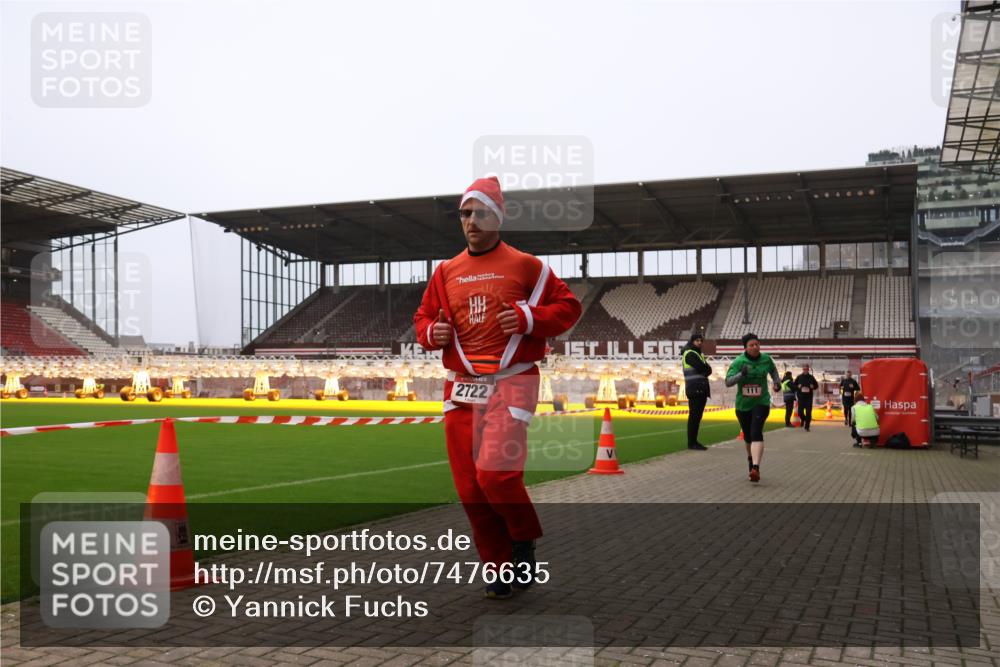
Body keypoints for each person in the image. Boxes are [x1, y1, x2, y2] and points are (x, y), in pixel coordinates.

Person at [413, 176, 582, 599]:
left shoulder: (527, 266)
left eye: (480, 212)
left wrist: (528, 318)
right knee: (470, 490)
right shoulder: (446, 271)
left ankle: (522, 539)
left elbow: (568, 307)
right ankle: (499, 567)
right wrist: (431, 332)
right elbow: (422, 320)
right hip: (460, 390)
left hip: (512, 382)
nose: (471, 221)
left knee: (497, 476)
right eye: (465, 214)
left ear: (498, 216)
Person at [725, 333, 781, 483]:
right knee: (748, 437)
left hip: (761, 402)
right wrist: (740, 375)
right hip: (743, 405)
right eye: (751, 345)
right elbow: (728, 382)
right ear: (745, 347)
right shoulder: (738, 362)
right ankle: (751, 460)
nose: (755, 347)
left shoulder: (766, 359)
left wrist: (777, 383)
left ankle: (756, 467)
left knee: (756, 431)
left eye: (757, 344)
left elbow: (773, 371)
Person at [681, 332, 712, 450]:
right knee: (694, 417)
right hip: (695, 389)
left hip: (700, 389)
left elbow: (708, 370)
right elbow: (704, 368)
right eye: (697, 340)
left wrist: (706, 369)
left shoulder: (698, 354)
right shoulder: (690, 354)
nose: (699, 342)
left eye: (700, 340)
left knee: (696, 417)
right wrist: (706, 369)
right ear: (692, 341)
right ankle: (692, 443)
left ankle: (693, 441)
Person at [793, 364, 819, 432]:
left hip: (809, 398)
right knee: (800, 412)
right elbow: (794, 386)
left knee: (808, 413)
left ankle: (807, 427)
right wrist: (797, 387)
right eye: (804, 369)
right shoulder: (799, 377)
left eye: (806, 369)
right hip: (801, 398)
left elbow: (816, 386)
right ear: (802, 369)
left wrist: (813, 386)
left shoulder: (811, 377)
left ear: (808, 369)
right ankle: (804, 420)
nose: (805, 370)